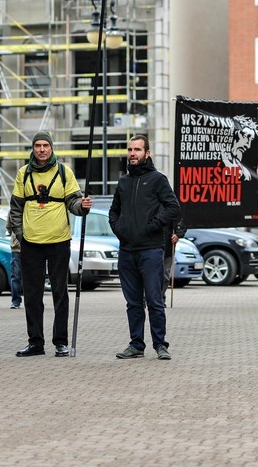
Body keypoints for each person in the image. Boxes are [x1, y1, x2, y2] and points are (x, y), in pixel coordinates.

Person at [8, 131, 92, 357]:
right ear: (33, 148)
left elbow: (73, 201)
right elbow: (15, 207)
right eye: (38, 146)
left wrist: (82, 207)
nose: (42, 149)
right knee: (32, 295)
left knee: (60, 293)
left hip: (59, 241)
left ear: (52, 148)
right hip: (31, 243)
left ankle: (61, 342)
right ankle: (36, 342)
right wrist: (20, 233)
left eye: (46, 145)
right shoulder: (23, 173)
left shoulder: (65, 172)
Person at [109, 135, 180, 360]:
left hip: (150, 250)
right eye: (130, 149)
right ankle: (136, 345)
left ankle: (160, 345)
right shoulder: (123, 182)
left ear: (147, 153)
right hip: (127, 251)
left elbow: (173, 207)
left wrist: (153, 226)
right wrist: (120, 229)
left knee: (154, 300)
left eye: (137, 150)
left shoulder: (158, 179)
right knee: (133, 302)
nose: (132, 153)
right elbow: (114, 212)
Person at [8, 227, 23, 309]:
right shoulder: (13, 213)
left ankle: (16, 302)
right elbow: (9, 226)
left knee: (15, 276)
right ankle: (16, 301)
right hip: (17, 248)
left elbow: (9, 227)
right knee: (15, 275)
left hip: (30, 247)